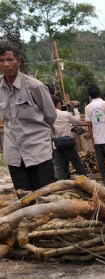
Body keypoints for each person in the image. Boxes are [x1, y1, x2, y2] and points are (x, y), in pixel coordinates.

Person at [0, 41, 58, 195]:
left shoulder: (35, 86)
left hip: (37, 150)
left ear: (19, 61)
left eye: (9, 59)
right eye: (1, 60)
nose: (5, 64)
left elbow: (50, 115)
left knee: (45, 197)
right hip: (14, 152)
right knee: (23, 198)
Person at [51, 95, 89, 180]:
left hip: (56, 143)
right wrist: (75, 108)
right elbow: (78, 120)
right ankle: (86, 180)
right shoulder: (65, 114)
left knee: (59, 166)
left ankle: (61, 184)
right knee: (76, 162)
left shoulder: (49, 115)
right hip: (68, 142)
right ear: (58, 104)